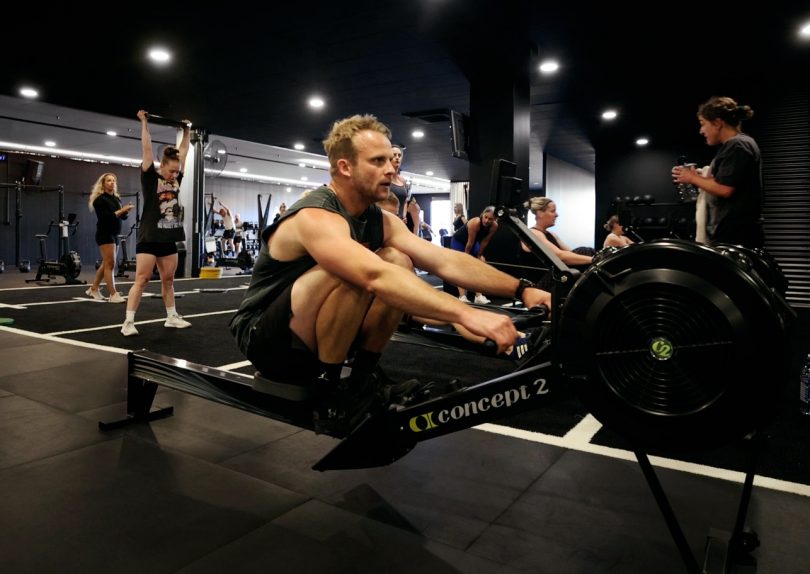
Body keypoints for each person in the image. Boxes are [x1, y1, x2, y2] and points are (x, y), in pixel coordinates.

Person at [229, 114, 550, 433]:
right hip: (269, 341)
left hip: (313, 328)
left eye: (390, 160)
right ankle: (329, 395)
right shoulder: (317, 214)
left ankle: (360, 381)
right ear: (345, 167)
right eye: (378, 161)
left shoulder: (380, 220)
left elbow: (444, 260)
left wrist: (522, 290)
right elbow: (372, 275)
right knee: (359, 269)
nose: (391, 169)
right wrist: (464, 314)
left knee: (397, 259)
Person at [121, 110, 192, 337]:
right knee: (141, 280)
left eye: (177, 171)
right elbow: (147, 148)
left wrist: (187, 130)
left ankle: (171, 317)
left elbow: (184, 151)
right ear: (162, 166)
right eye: (171, 171)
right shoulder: (150, 177)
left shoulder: (176, 176)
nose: (174, 175)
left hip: (168, 237)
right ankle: (128, 322)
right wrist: (145, 123)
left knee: (168, 280)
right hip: (149, 237)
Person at [672, 96, 763, 249]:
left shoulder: (738, 145)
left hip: (736, 234)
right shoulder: (735, 145)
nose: (701, 130)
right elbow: (724, 182)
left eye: (703, 124)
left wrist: (692, 178)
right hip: (731, 233)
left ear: (718, 123)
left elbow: (724, 188)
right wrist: (701, 177)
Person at [86, 172, 134, 302]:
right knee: (110, 264)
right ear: (103, 183)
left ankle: (94, 288)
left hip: (114, 234)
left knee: (107, 263)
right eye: (109, 180)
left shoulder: (117, 199)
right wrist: (122, 210)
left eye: (113, 180)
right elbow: (107, 217)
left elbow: (122, 217)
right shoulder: (99, 200)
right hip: (104, 233)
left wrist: (126, 211)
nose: (112, 182)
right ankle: (113, 294)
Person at [522, 197, 593, 268]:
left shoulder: (552, 235)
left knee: (584, 251)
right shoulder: (533, 233)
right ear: (540, 213)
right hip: (540, 278)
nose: (556, 215)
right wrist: (594, 259)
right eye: (552, 211)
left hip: (553, 276)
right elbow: (560, 256)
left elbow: (572, 254)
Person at [450, 206, 499, 304]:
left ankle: (478, 296)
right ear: (482, 215)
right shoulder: (475, 222)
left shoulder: (494, 226)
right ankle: (462, 297)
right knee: (462, 268)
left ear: (495, 219)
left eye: (490, 219)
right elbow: (469, 243)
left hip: (473, 242)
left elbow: (485, 241)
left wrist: (479, 255)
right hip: (459, 241)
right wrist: (466, 258)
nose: (487, 220)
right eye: (485, 217)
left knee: (480, 264)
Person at [390, 145, 410, 219]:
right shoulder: (384, 177)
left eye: (399, 155)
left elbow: (405, 201)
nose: (397, 157)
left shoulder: (402, 180)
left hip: (400, 220)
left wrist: (404, 215)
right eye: (394, 155)